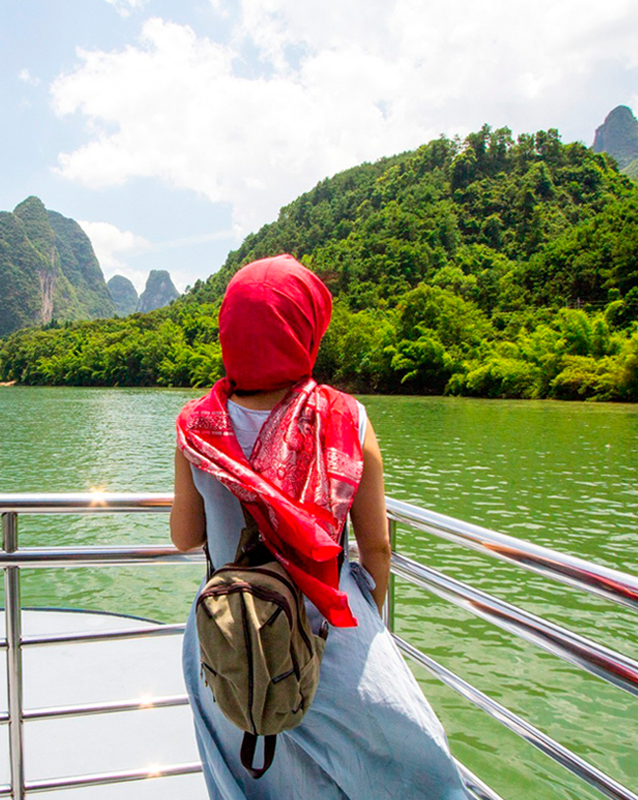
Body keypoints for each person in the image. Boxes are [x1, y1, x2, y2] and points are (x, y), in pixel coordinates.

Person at [171, 254, 469, 800]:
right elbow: (376, 544)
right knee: (412, 774)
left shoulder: (197, 424)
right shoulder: (344, 417)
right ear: (305, 328)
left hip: (225, 634)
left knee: (249, 781)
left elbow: (185, 536)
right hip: (324, 630)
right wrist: (366, 624)